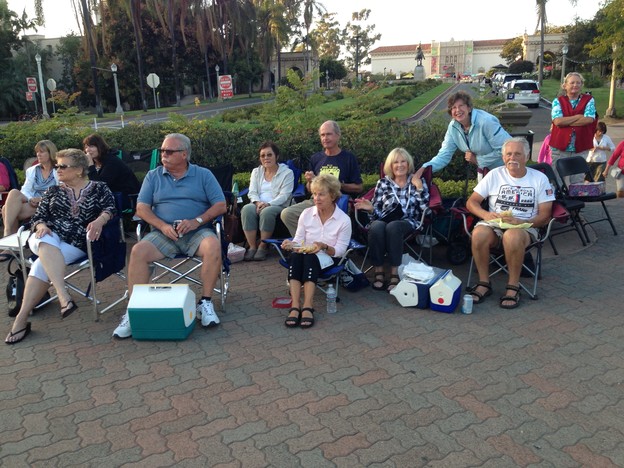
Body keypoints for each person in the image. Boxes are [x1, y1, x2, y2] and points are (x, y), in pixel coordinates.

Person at [113, 133, 227, 339]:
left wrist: (197, 221)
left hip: (197, 232)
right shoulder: (153, 176)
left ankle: (205, 303)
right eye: (162, 150)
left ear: (184, 154)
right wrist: (162, 226)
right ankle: (134, 310)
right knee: (138, 251)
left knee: (213, 245)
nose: (163, 154)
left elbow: (220, 205)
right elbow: (141, 208)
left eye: (169, 151)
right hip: (163, 234)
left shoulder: (203, 175)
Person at [5, 149, 116, 344]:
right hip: (45, 234)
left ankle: (21, 320)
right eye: (57, 166)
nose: (58, 169)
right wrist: (41, 225)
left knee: (40, 265)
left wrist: (100, 220)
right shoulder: (53, 191)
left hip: (76, 241)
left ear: (79, 170)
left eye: (63, 166)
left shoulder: (99, 188)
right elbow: (39, 217)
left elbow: (110, 208)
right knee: (45, 240)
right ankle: (63, 296)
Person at [465, 137, 555, 310]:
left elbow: (545, 215)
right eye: (508, 154)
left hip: (526, 226)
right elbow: (472, 202)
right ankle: (484, 283)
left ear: (526, 157)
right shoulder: (494, 175)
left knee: (512, 236)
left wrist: (523, 221)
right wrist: (486, 215)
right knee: (478, 234)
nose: (512, 158)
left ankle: (513, 286)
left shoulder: (539, 178)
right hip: (495, 224)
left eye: (517, 154)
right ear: (503, 157)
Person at [280, 174, 351, 329]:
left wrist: (324, 246)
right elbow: (298, 240)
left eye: (321, 194)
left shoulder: (343, 220)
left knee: (310, 258)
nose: (316, 198)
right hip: (305, 254)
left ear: (332, 196)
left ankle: (308, 306)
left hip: (329, 257)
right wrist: (290, 244)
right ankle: (295, 305)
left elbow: (340, 251)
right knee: (296, 257)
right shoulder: (306, 214)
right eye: (314, 194)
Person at [354, 148, 430, 292]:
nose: (399, 165)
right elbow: (376, 215)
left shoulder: (416, 181)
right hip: (384, 220)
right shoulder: (383, 183)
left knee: (394, 226)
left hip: (408, 222)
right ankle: (379, 271)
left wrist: (419, 187)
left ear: (408, 164)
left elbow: (426, 209)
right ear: (390, 165)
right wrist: (371, 210)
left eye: (403, 161)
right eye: (396, 162)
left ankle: (394, 273)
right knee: (376, 226)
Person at [280, 120, 362, 236]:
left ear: (338, 136)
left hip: (337, 202)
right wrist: (310, 181)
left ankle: (323, 243)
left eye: (328, 134)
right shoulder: (316, 158)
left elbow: (359, 188)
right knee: (287, 214)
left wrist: (338, 185)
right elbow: (309, 189)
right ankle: (305, 242)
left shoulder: (348, 158)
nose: (325, 138)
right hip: (315, 201)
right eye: (322, 135)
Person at [415, 91, 511, 181]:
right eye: (453, 107)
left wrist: (478, 160)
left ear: (469, 108)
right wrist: (425, 168)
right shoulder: (453, 127)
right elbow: (444, 155)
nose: (457, 110)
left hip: (508, 171)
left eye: (461, 106)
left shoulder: (486, 121)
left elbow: (507, 150)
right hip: (486, 172)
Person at [241, 142, 294, 261]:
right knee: (246, 209)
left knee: (267, 212)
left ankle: (263, 246)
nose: (266, 158)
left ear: (277, 156)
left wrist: (268, 204)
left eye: (269, 155)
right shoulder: (256, 172)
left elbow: (284, 195)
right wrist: (258, 202)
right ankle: (252, 246)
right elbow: (252, 192)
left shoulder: (287, 173)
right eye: (263, 155)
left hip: (279, 205)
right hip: (259, 204)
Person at [1, 140, 58, 246]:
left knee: (6, 209)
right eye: (37, 152)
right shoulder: (33, 170)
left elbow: (62, 192)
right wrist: (30, 199)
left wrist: (42, 199)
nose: (38, 154)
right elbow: (26, 190)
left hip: (49, 204)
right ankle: (8, 233)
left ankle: (9, 242)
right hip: (33, 202)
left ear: (50, 153)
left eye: (42, 152)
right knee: (14, 192)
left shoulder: (59, 170)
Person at [550, 72, 596, 185]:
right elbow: (558, 121)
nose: (575, 85)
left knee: (577, 181)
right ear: (565, 85)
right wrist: (578, 117)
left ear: (582, 85)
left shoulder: (589, 100)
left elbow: (589, 119)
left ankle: (575, 197)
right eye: (572, 83)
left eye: (578, 83)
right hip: (560, 146)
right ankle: (559, 196)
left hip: (580, 146)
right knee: (557, 180)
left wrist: (566, 122)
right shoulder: (558, 101)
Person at [83, 134, 141, 209]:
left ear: (100, 147)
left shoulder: (112, 162)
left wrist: (90, 166)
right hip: (110, 196)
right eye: (86, 147)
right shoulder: (96, 162)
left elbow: (100, 186)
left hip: (126, 199)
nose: (88, 150)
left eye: (91, 146)